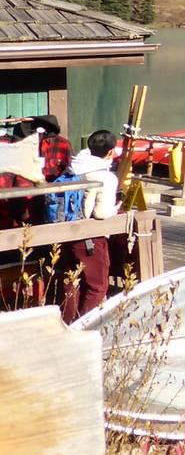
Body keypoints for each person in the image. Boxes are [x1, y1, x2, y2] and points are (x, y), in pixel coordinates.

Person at [60, 129, 118, 322]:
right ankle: (85, 326)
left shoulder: (73, 167)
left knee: (72, 282)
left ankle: (67, 324)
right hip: (90, 237)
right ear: (110, 151)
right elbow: (101, 213)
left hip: (66, 232)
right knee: (97, 286)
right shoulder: (105, 177)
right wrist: (116, 209)